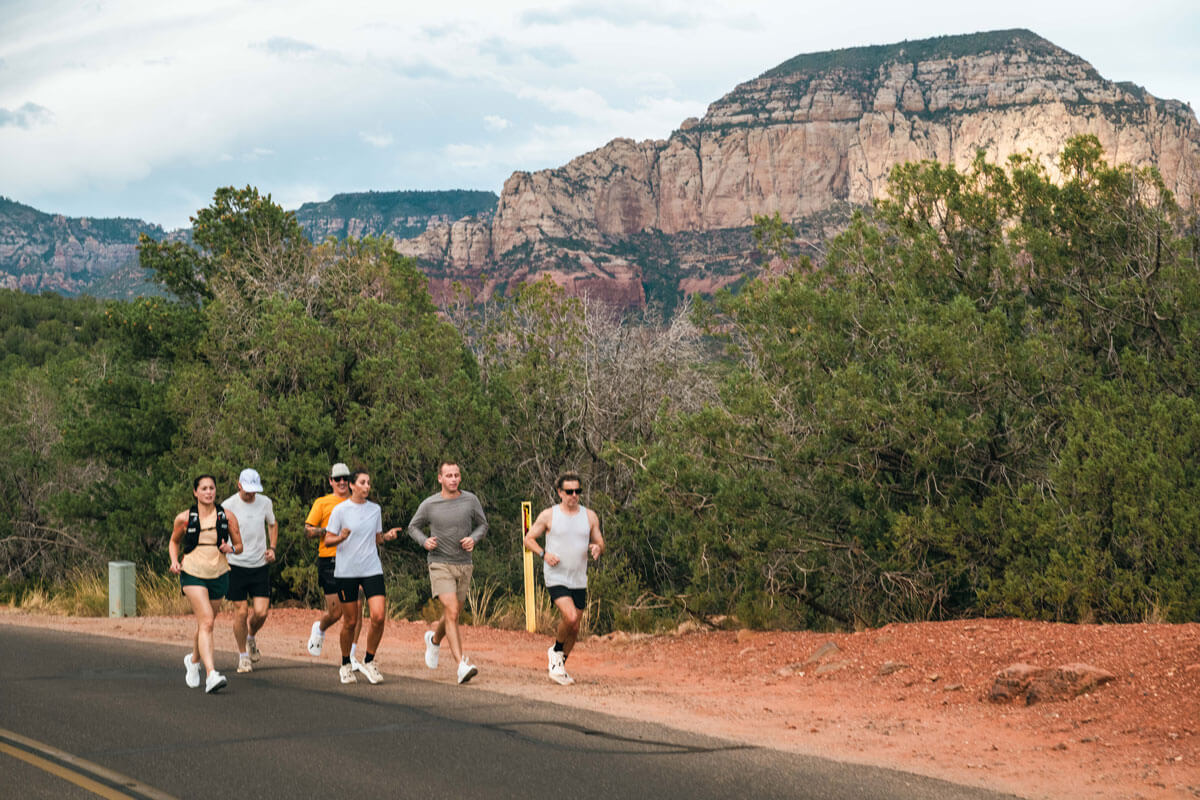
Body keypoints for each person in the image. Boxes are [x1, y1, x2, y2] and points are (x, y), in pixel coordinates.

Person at [407, 461, 488, 685]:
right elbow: (413, 526)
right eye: (448, 475)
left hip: (464, 564)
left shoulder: (470, 500)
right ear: (440, 478)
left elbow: (483, 525)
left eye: (456, 475)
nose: (453, 479)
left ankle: (434, 640)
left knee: (452, 614)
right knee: (451, 611)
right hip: (439, 563)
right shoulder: (430, 504)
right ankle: (462, 665)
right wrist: (425, 541)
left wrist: (474, 538)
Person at [523, 472, 605, 685]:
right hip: (556, 575)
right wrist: (543, 554)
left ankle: (559, 663)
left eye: (578, 491)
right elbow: (528, 539)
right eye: (569, 491)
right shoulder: (549, 515)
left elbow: (600, 541)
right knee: (569, 617)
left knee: (575, 627)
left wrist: (597, 548)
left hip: (579, 578)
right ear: (560, 492)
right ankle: (556, 651)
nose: (574, 495)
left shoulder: (590, 516)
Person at [324, 469, 401, 685]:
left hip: (371, 568)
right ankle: (345, 663)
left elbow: (377, 538)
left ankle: (369, 660)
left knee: (378, 616)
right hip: (347, 571)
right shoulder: (340, 510)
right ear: (352, 485)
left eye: (369, 483)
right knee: (350, 622)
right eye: (363, 482)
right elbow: (328, 541)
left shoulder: (375, 510)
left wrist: (387, 536)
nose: (367, 486)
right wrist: (341, 537)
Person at [169, 474, 243, 694]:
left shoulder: (227, 517)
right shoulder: (184, 518)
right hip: (192, 572)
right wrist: (174, 561)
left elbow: (239, 545)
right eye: (204, 488)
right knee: (208, 621)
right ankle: (211, 674)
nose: (209, 492)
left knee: (205, 624)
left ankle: (193, 661)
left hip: (219, 573)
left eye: (212, 488)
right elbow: (174, 542)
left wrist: (231, 549)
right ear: (195, 492)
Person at [303, 463, 364, 671]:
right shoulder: (323, 503)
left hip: (354, 560)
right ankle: (319, 628)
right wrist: (329, 531)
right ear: (330, 481)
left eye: (345, 478)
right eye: (337, 479)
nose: (341, 482)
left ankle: (352, 655)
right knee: (336, 612)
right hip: (329, 560)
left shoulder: (358, 502)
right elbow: (308, 531)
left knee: (356, 607)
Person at [222, 467, 277, 674]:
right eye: (247, 490)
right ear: (239, 485)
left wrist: (272, 548)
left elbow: (272, 524)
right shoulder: (228, 505)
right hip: (235, 564)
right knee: (241, 611)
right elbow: (219, 531)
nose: (251, 494)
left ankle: (251, 636)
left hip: (259, 564)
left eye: (254, 490)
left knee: (261, 612)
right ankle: (243, 656)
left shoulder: (265, 503)